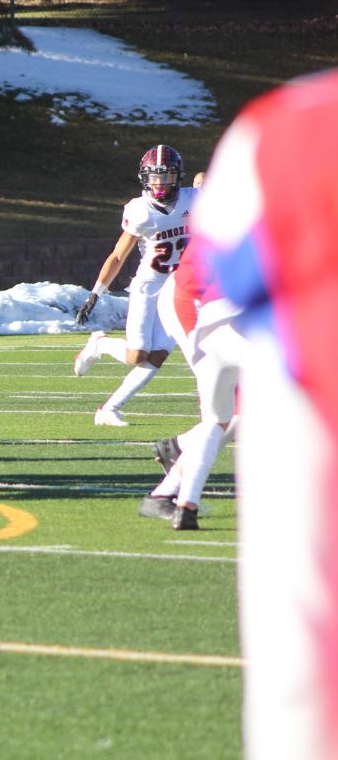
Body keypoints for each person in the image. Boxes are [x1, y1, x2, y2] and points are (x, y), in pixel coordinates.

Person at [193, 70, 338, 760]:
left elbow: (225, 260)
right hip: (270, 360)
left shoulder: (287, 125)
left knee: (300, 698)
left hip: (308, 393)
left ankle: (178, 493)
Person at [71, 145, 198, 426]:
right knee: (136, 354)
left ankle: (109, 409)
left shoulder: (195, 200)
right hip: (149, 287)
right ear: (145, 179)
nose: (160, 183)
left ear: (178, 177)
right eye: (154, 177)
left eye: (166, 176)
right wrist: (95, 294)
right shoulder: (140, 211)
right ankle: (100, 344)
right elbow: (118, 255)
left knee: (158, 355)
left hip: (178, 289)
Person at [137, 233, 242, 531]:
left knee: (233, 414)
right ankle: (168, 488)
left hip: (221, 305)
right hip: (194, 301)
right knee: (233, 411)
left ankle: (177, 458)